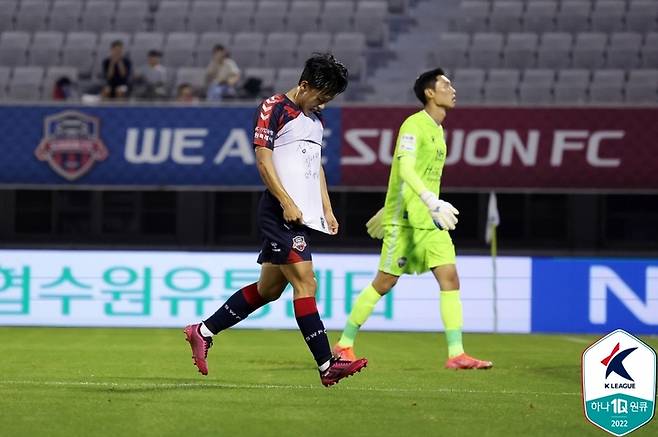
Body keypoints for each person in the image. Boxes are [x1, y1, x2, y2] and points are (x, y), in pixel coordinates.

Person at [184, 53, 368, 387]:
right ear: (304, 85)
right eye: (322, 96)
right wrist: (285, 201)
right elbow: (263, 160)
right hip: (279, 211)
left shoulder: (315, 119)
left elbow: (316, 166)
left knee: (268, 289)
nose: (325, 104)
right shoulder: (274, 108)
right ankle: (327, 365)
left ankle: (203, 330)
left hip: (302, 214)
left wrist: (326, 207)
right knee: (306, 283)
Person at [333, 68, 493, 370]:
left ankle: (456, 353)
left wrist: (430, 207)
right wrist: (422, 202)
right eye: (446, 84)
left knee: (450, 278)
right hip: (406, 221)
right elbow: (404, 169)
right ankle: (343, 344)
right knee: (384, 283)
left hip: (430, 222)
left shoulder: (438, 130)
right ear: (430, 93)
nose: (453, 89)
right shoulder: (413, 126)